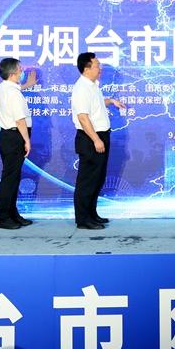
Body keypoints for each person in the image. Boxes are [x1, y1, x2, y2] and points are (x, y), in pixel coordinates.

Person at [71, 52, 125, 230]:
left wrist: (112, 101)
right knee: (87, 180)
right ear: (86, 69)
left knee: (97, 178)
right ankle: (83, 219)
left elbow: (97, 103)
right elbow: (83, 117)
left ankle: (92, 214)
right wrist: (96, 139)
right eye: (96, 66)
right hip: (90, 138)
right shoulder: (81, 88)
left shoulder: (93, 85)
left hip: (100, 136)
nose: (100, 69)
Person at [0, 58, 37, 230]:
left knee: (12, 178)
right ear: (13, 73)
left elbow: (16, 90)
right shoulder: (13, 93)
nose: (22, 71)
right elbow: (20, 120)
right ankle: (3, 217)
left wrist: (27, 85)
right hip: (15, 137)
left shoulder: (3, 87)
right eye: (20, 69)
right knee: (10, 179)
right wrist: (27, 141)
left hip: (7, 137)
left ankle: (12, 214)